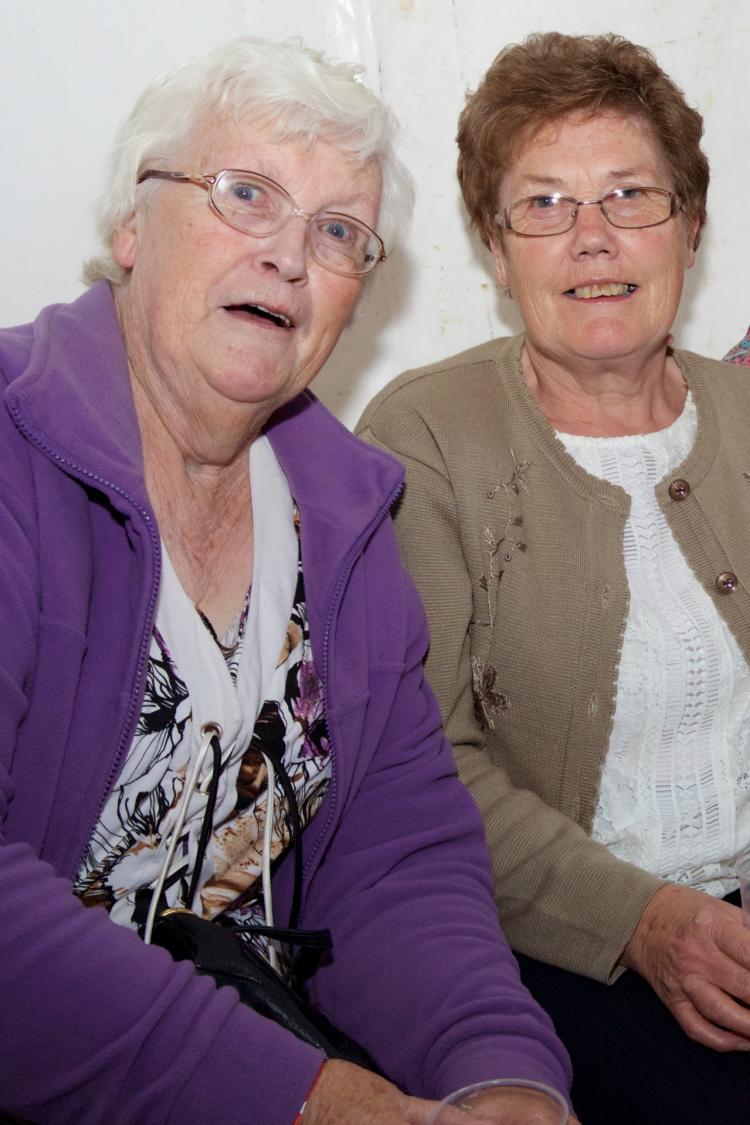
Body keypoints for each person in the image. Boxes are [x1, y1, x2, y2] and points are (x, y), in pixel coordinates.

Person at [0, 36, 573, 1125]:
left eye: (338, 231)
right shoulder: (12, 448)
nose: (289, 257)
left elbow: (394, 854)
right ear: (131, 225)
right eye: (246, 194)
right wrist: (312, 1099)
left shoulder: (346, 512)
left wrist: (497, 1072)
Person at [357, 31, 750, 1125]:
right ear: (495, 250)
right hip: (566, 949)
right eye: (543, 204)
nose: (592, 237)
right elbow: (422, 765)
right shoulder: (424, 438)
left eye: (631, 195)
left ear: (690, 226)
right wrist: (645, 922)